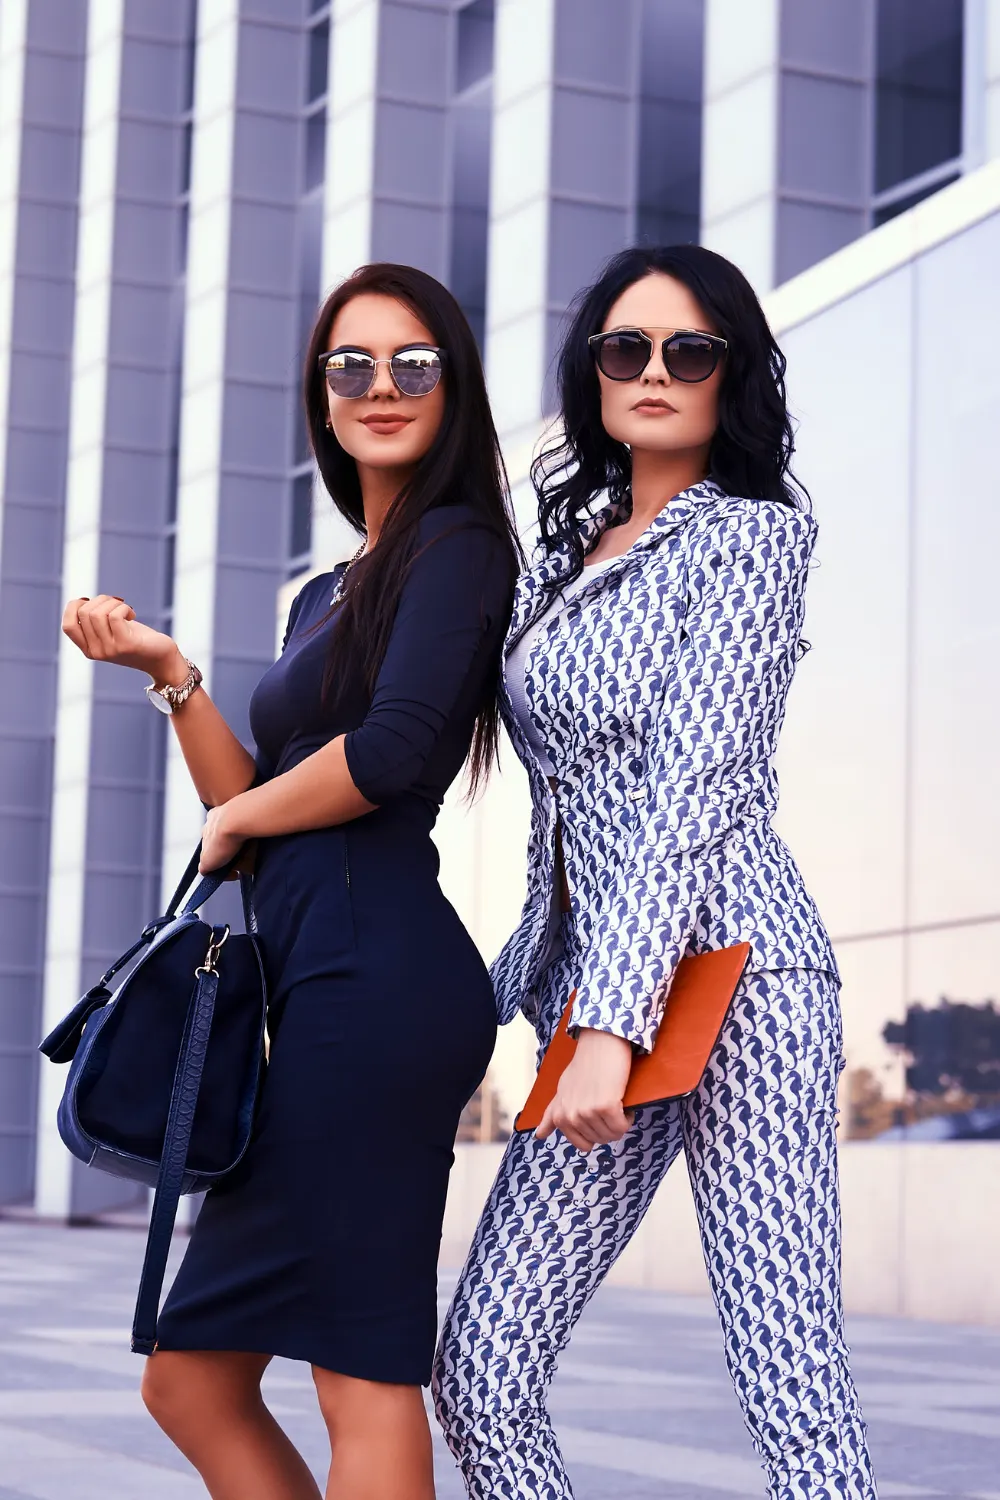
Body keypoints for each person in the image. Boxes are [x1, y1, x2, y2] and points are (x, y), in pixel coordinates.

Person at [61, 262, 519, 1500]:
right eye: (350, 366)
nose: (380, 387)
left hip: (383, 984)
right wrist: (171, 672)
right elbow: (241, 809)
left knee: (358, 1371)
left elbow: (386, 758)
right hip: (316, 988)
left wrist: (247, 815)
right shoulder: (330, 590)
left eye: (411, 363)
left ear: (453, 385)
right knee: (190, 1376)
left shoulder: (460, 545)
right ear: (319, 396)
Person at [432, 245, 876, 1500]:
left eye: (691, 351)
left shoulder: (750, 540)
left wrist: (608, 1028)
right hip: (597, 991)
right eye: (626, 349)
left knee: (790, 1379)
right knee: (481, 1374)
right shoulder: (564, 558)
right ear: (593, 373)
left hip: (739, 978)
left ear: (728, 375)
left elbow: (693, 797)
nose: (655, 374)